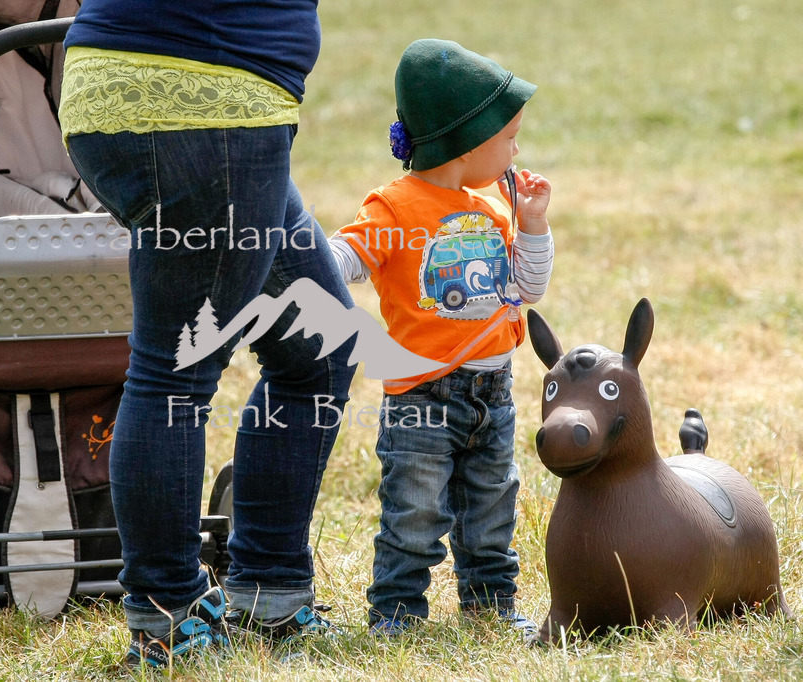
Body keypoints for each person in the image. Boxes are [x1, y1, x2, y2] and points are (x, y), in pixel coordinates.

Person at [59, 2, 357, 668]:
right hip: (210, 104)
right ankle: (172, 623)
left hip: (127, 91)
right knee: (175, 369)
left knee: (320, 348)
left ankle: (269, 595)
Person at [328, 39, 555, 639]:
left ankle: (492, 603)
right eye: (509, 137)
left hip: (494, 391)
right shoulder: (396, 207)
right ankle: (397, 612)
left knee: (492, 505)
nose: (515, 150)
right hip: (423, 398)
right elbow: (347, 256)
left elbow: (527, 290)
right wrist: (318, 257)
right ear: (470, 139)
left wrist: (532, 227)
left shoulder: (495, 206)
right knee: (414, 512)